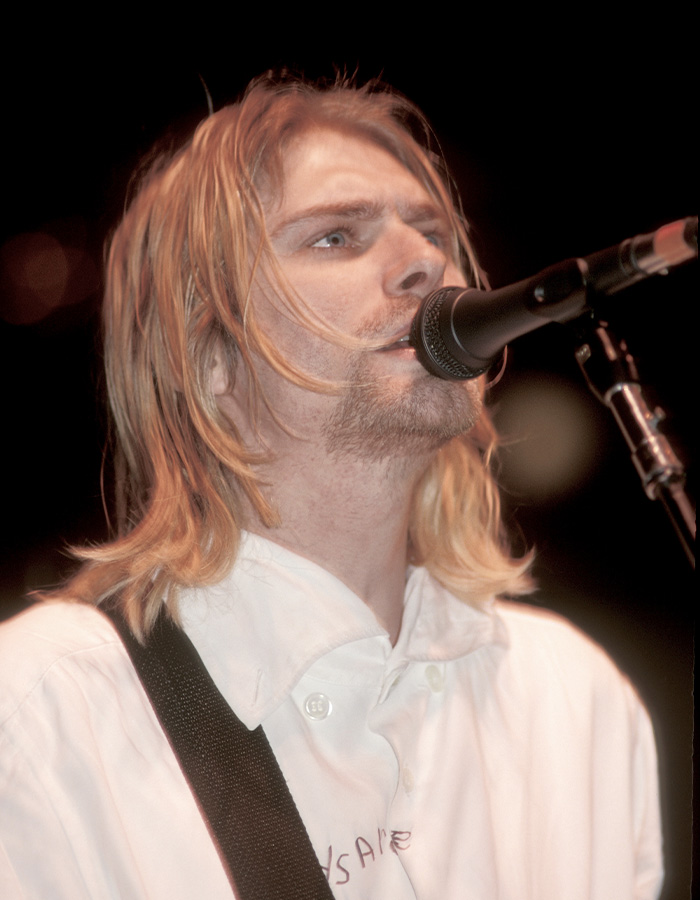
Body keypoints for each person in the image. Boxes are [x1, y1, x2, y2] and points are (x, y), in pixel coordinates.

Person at [0, 74, 663, 899]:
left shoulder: (577, 702)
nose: (424, 263)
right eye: (337, 238)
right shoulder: (41, 718)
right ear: (209, 356)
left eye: (430, 230)